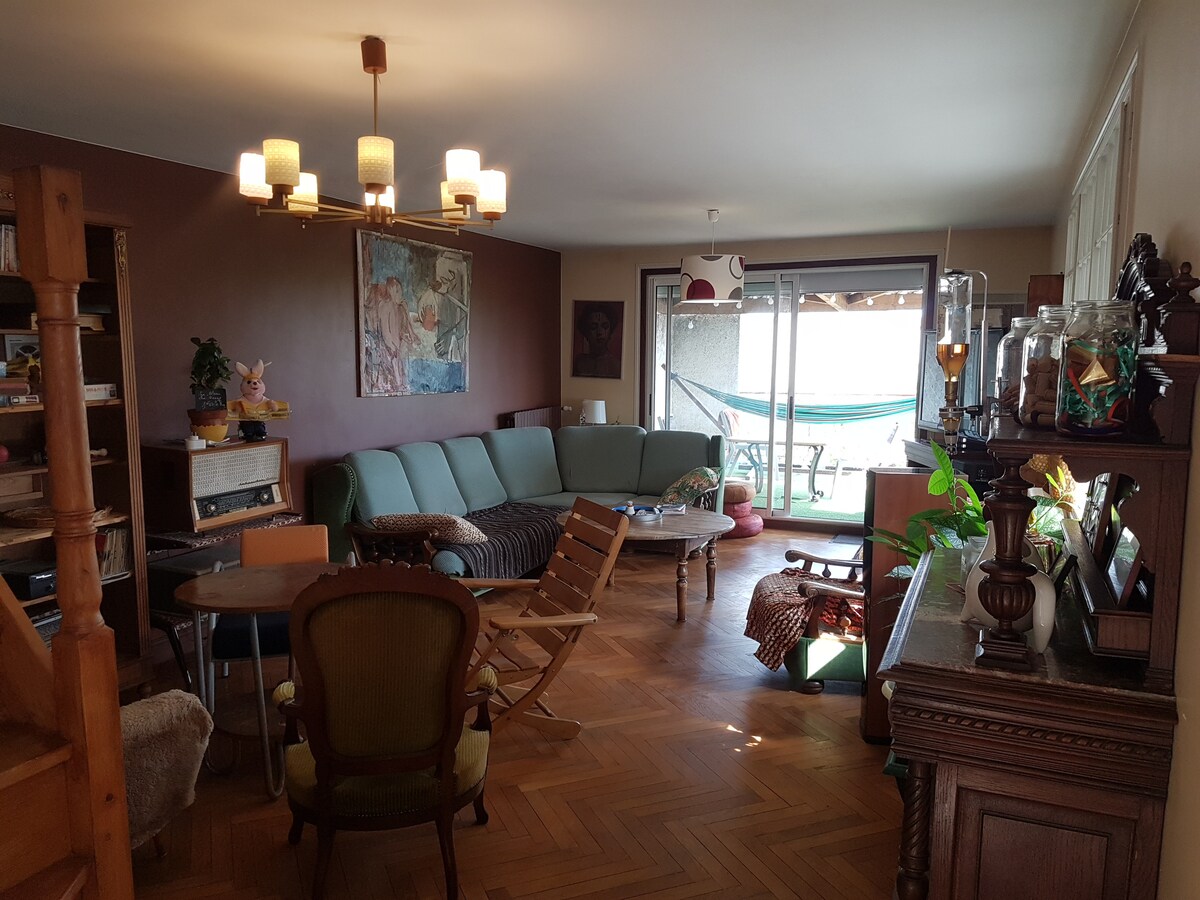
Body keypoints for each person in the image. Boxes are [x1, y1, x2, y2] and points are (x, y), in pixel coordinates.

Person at [573, 302, 622, 378]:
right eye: (593, 327)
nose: (599, 332)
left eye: (605, 326)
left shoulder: (616, 366)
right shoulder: (578, 362)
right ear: (586, 332)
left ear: (610, 332)